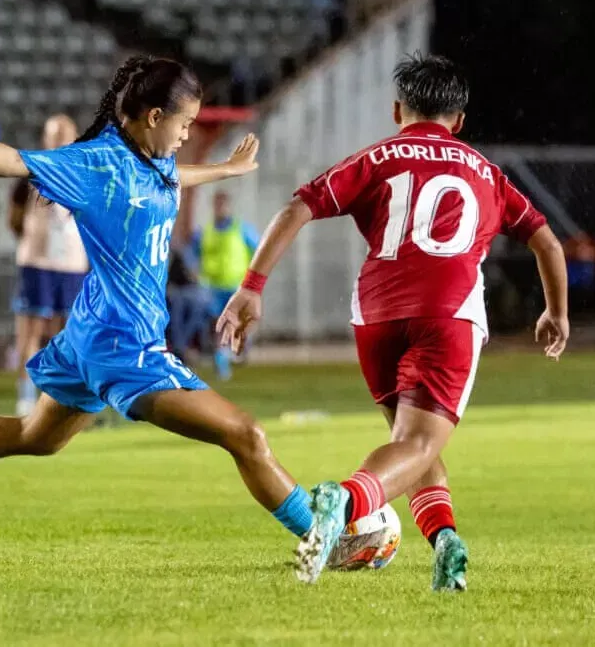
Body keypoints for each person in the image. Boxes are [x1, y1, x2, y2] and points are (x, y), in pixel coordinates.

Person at [0, 56, 316, 547]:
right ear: (154, 117)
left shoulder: (153, 158)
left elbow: (169, 178)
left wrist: (225, 169)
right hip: (124, 346)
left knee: (36, 436)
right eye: (185, 124)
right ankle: (324, 535)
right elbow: (12, 161)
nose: (187, 134)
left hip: (89, 335)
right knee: (246, 435)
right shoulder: (97, 164)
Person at [217, 54, 569, 590]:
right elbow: (547, 242)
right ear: (459, 119)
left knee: (410, 443)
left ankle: (446, 543)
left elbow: (295, 210)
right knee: (420, 443)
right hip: (448, 314)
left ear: (398, 110)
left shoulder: (378, 157)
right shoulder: (487, 172)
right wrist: (555, 312)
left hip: (376, 316)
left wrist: (252, 286)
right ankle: (345, 501)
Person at [8, 114, 88, 415]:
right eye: (55, 136)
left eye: (65, 135)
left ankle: (60, 394)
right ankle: (25, 395)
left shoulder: (83, 176)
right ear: (45, 139)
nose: (59, 141)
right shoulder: (31, 173)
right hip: (38, 263)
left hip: (71, 263)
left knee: (69, 332)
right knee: (30, 329)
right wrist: (32, 238)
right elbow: (15, 217)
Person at [191, 190, 259, 379]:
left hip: (237, 285)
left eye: (223, 205)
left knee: (241, 321)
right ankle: (222, 358)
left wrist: (254, 278)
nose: (220, 208)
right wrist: (195, 272)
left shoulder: (241, 229)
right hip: (213, 286)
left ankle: (238, 347)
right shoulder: (205, 231)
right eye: (217, 205)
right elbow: (192, 254)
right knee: (218, 324)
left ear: (229, 206)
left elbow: (259, 250)